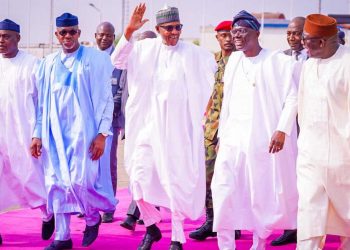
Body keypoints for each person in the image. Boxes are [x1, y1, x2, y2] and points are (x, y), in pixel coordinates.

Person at [111, 4, 216, 250]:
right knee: (138, 179)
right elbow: (117, 60)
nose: (174, 32)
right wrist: (128, 32)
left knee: (174, 183)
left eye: (178, 27)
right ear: (157, 29)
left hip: (177, 131)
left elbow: (214, 73)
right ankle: (151, 225)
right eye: (169, 28)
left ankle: (176, 237)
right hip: (146, 128)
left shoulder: (193, 53)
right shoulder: (143, 49)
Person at [211, 10, 299, 250]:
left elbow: (293, 98)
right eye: (233, 32)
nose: (236, 36)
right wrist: (221, 135)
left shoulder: (279, 61)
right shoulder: (233, 62)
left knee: (260, 195)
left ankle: (258, 243)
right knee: (223, 191)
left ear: (256, 33)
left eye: (242, 31)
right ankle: (226, 245)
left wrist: (282, 130)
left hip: (262, 140)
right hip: (232, 140)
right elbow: (227, 100)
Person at [30, 13, 116, 250]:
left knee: (81, 182)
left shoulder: (95, 60)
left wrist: (102, 134)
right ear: (56, 35)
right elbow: (41, 105)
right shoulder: (47, 65)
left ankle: (92, 217)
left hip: (85, 135)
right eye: (63, 32)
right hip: (54, 135)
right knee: (56, 183)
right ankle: (62, 237)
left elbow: (106, 100)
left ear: (79, 33)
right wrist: (37, 133)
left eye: (72, 32)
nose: (68, 36)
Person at [297, 14, 350, 250]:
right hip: (311, 156)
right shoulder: (309, 66)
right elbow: (303, 107)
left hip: (344, 158)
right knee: (309, 212)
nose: (301, 44)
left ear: (322, 42)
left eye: (306, 40)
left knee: (346, 215)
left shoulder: (347, 65)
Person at [0, 18, 54, 243]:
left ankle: (47, 213)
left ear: (18, 38)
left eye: (6, 36)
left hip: (23, 132)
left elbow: (43, 103)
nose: (1, 41)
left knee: (29, 177)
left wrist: (37, 134)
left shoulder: (33, 64)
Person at [189, 20, 240, 242]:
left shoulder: (242, 61)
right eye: (223, 35)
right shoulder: (212, 61)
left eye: (230, 34)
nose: (227, 38)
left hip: (234, 128)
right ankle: (211, 221)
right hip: (211, 128)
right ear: (217, 38)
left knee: (232, 177)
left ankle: (234, 223)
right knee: (208, 177)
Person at [270, 16, 306, 247]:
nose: (293, 38)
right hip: (287, 125)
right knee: (287, 178)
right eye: (290, 33)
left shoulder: (315, 59)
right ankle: (291, 227)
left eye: (297, 33)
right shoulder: (280, 58)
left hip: (309, 125)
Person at [119, 30, 158, 232]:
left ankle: (132, 216)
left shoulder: (159, 71)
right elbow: (124, 97)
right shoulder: (131, 65)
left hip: (154, 130)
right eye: (140, 43)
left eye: (148, 44)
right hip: (133, 128)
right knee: (138, 172)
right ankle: (147, 212)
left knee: (144, 172)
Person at [94, 21, 121, 224]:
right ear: (95, 35)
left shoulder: (118, 58)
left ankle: (109, 206)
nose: (105, 38)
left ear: (114, 37)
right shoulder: (87, 57)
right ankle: (90, 203)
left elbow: (121, 88)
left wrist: (111, 112)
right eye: (101, 35)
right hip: (89, 120)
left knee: (109, 163)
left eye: (109, 35)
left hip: (110, 121)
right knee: (89, 163)